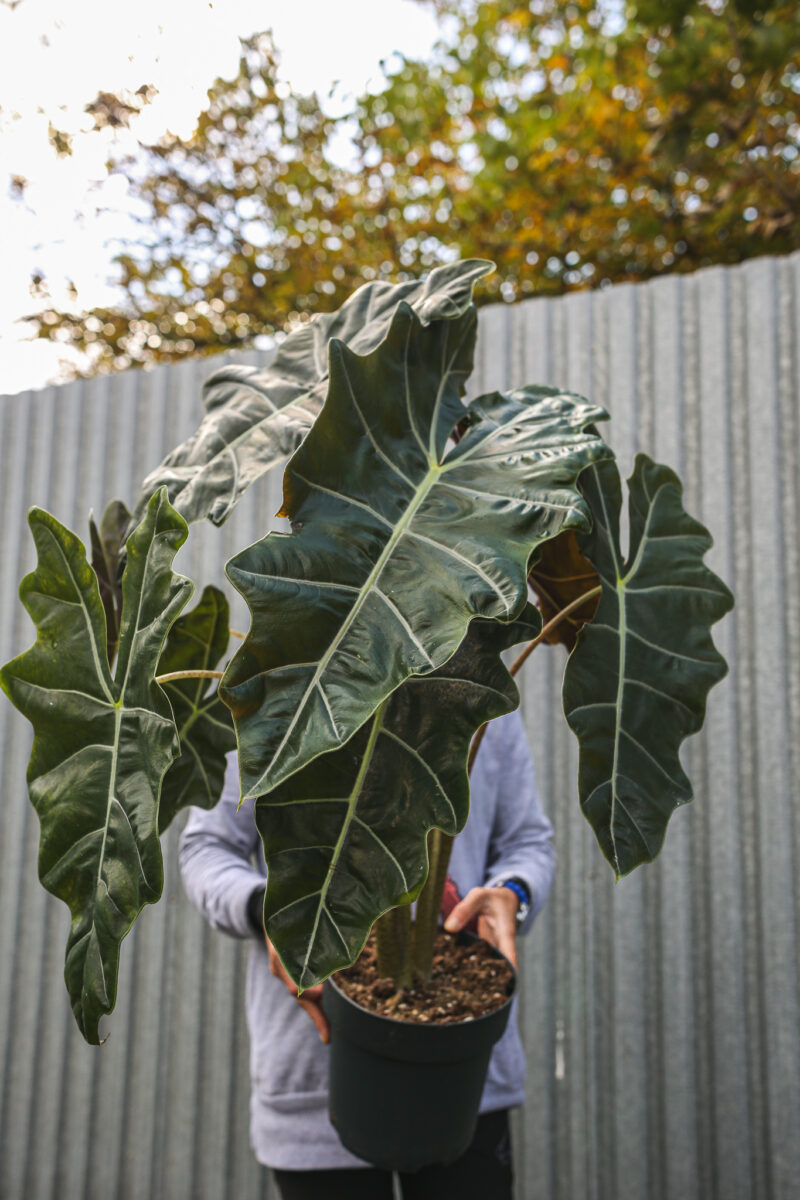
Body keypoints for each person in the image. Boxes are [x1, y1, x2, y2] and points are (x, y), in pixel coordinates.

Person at [178, 707, 555, 1200]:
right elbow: (207, 848)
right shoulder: (279, 681)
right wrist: (269, 914)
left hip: (464, 1078)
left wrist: (514, 894)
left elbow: (527, 841)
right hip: (315, 1077)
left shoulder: (477, 682)